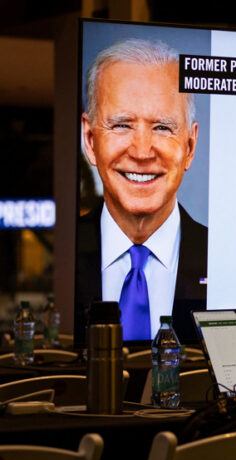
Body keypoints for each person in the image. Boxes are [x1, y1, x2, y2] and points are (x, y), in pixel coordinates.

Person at [75, 38, 207, 342]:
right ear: (90, 139)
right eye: (122, 125)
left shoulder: (225, 260)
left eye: (162, 127)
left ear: (190, 146)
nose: (142, 151)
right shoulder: (62, 258)